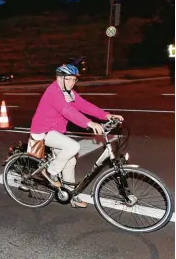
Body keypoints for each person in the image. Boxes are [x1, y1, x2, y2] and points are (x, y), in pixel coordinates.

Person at [29, 64, 124, 208]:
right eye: (69, 79)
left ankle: (71, 195)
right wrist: (89, 123)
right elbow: (67, 110)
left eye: (74, 80)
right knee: (73, 146)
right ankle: (50, 172)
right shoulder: (53, 91)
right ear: (59, 78)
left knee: (70, 162)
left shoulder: (69, 92)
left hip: (56, 132)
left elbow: (84, 105)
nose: (72, 83)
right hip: (43, 131)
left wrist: (107, 115)